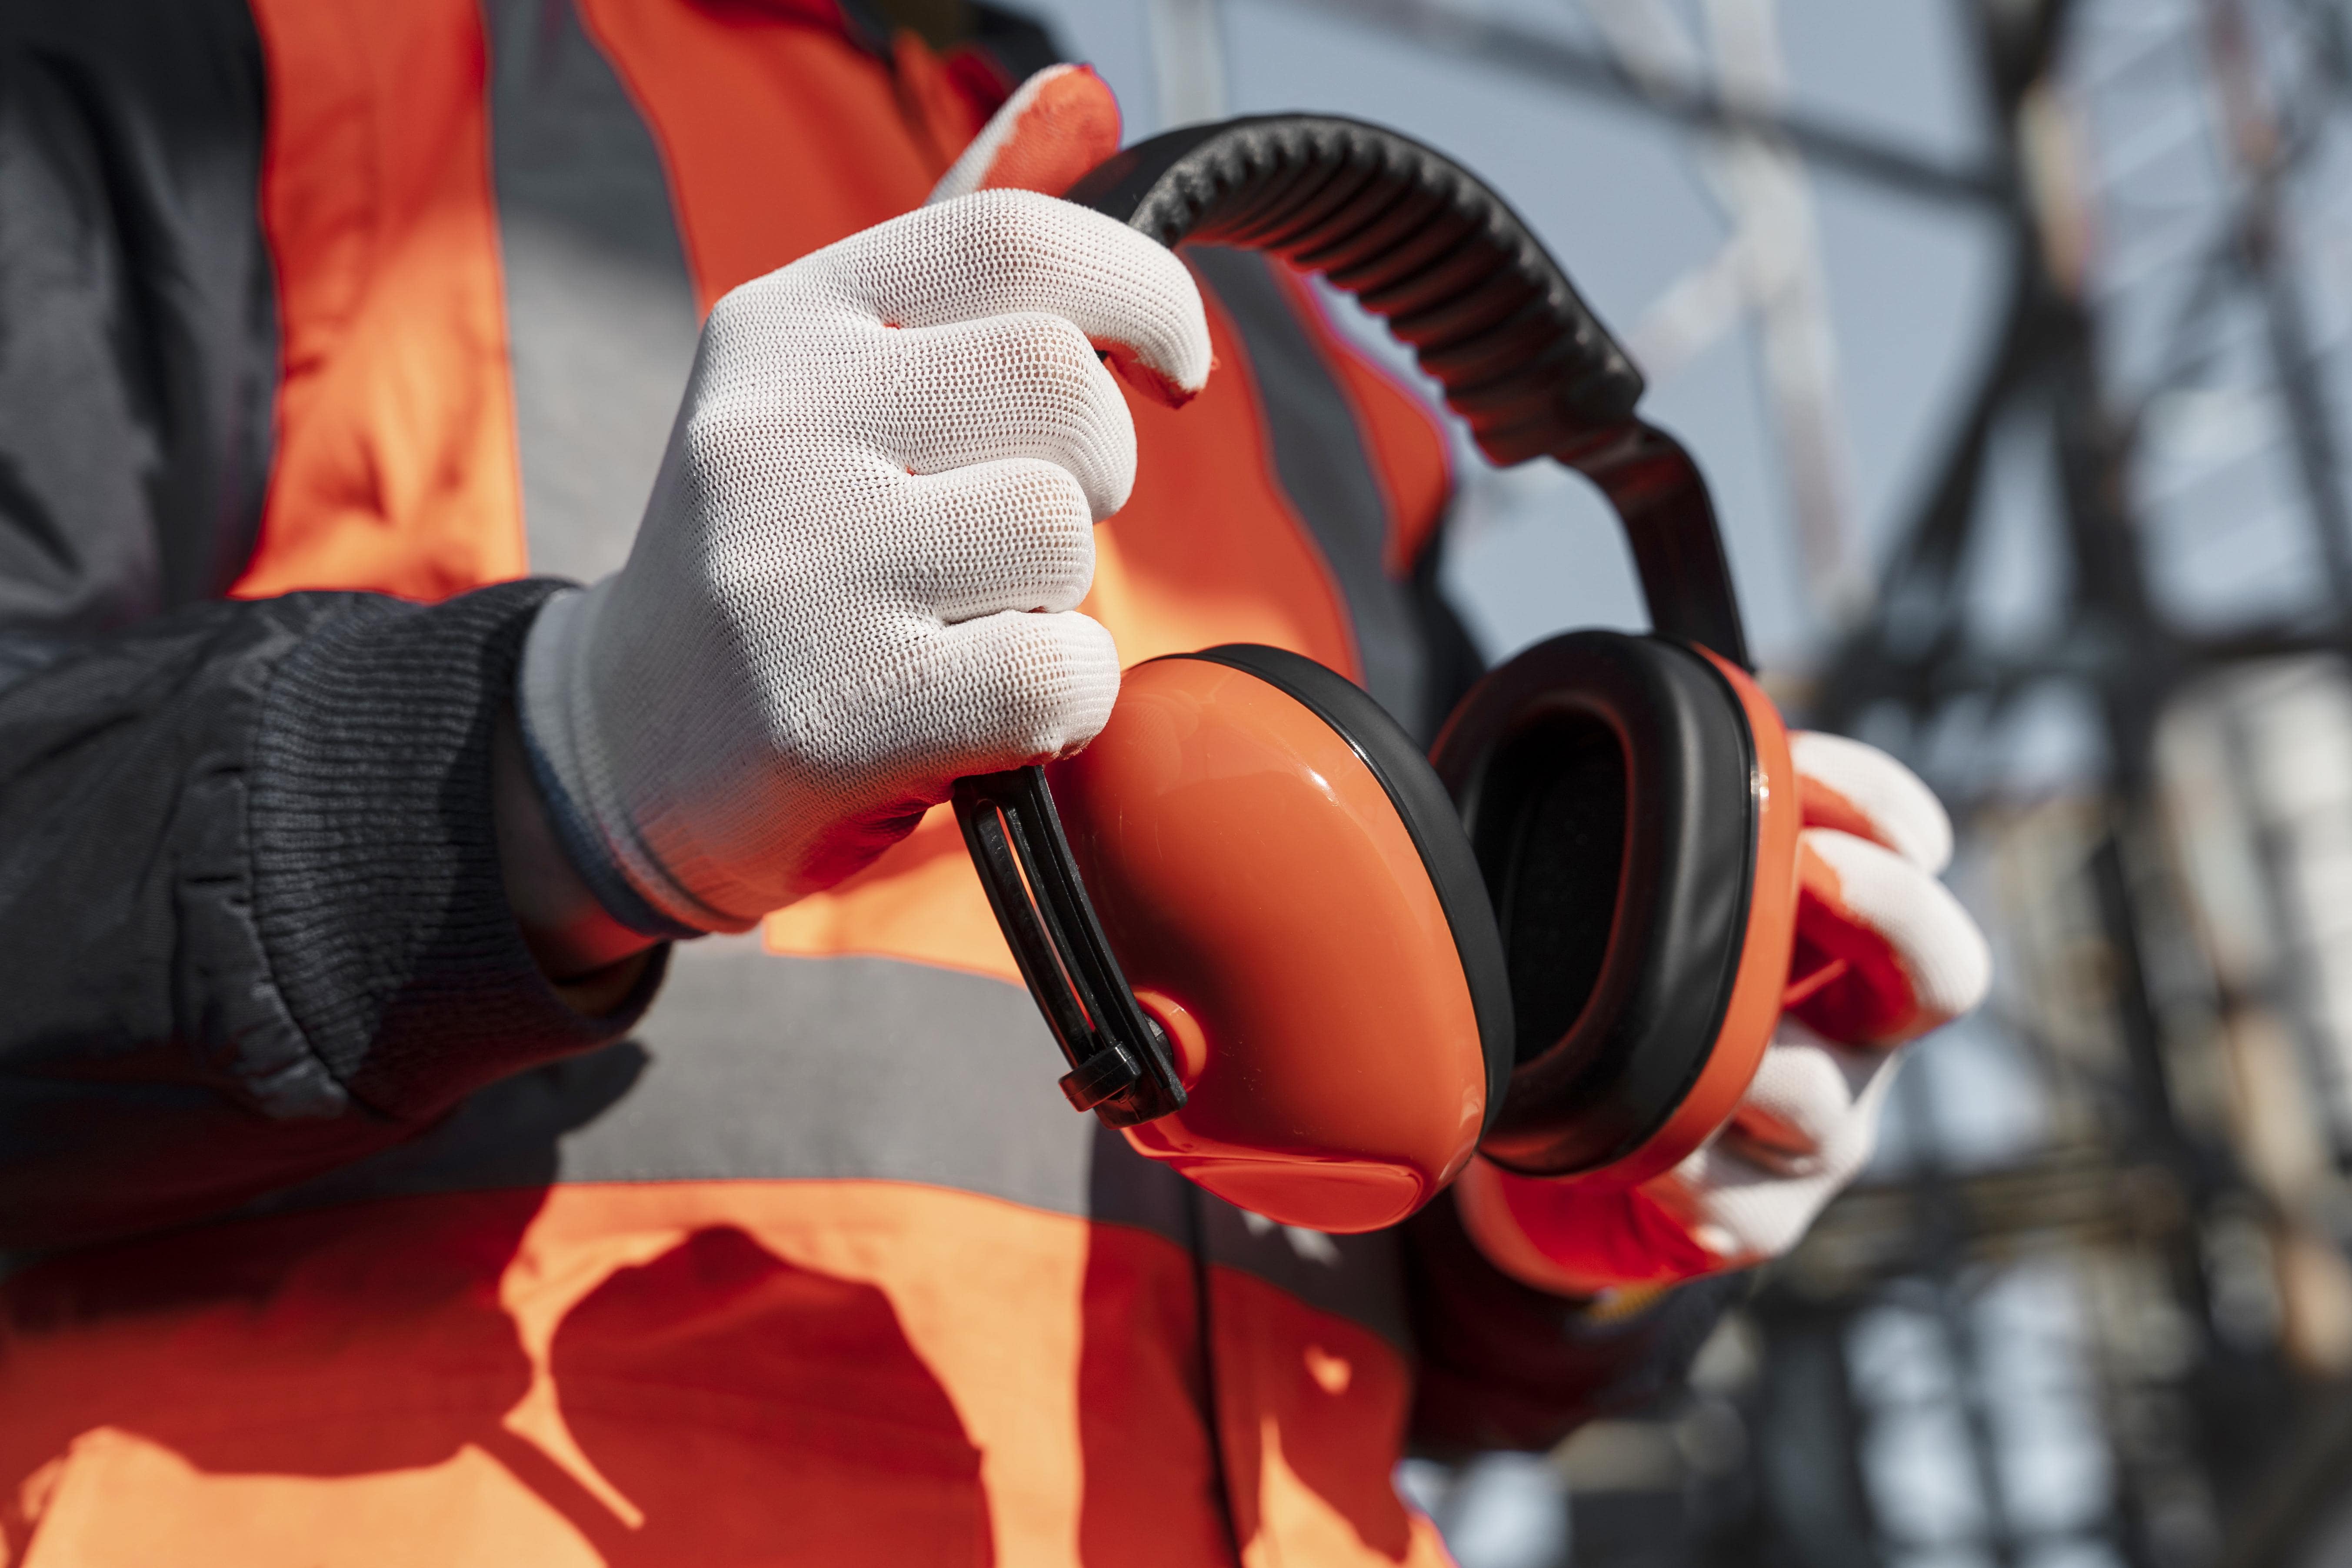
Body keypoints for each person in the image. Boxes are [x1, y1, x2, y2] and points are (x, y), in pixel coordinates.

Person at [0, 1, 1990, 1561]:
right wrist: (541, 764)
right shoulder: (220, 67)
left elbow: (1364, 1158)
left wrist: (1552, 1232)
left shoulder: (1294, 357)